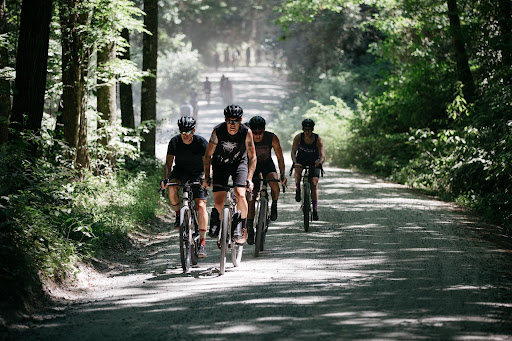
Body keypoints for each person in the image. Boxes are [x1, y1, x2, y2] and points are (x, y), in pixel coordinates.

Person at [202, 104, 256, 246]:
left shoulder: (246, 132)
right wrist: (207, 177)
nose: (232, 124)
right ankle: (218, 225)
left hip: (239, 164)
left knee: (240, 193)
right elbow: (208, 155)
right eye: (229, 121)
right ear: (225, 119)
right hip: (220, 163)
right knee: (219, 200)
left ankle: (242, 228)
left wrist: (249, 179)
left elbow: (253, 157)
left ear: (241, 120)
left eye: (236, 121)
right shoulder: (218, 131)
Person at [161, 116, 209, 258]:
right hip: (180, 171)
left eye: (188, 132)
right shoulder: (174, 141)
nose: (185, 135)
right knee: (172, 187)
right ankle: (178, 215)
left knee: (200, 206)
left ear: (193, 131)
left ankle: (202, 243)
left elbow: (208, 164)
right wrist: (166, 179)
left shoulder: (201, 143)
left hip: (198, 172)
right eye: (182, 132)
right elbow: (168, 164)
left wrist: (206, 179)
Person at [246, 115, 287, 245]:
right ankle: (249, 227)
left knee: (274, 184)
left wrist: (282, 174)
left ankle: (274, 204)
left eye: (260, 132)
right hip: (252, 166)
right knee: (251, 198)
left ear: (264, 130)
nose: (257, 135)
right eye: (255, 132)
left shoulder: (271, 137)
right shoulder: (246, 138)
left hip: (267, 164)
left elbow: (280, 156)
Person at [291, 118, 325, 221]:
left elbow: (323, 155)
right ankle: (298, 188)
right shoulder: (298, 137)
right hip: (301, 159)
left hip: (314, 161)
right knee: (297, 170)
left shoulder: (317, 139)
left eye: (309, 130)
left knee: (314, 184)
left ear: (312, 129)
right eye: (305, 130)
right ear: (303, 129)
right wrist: (295, 162)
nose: (307, 132)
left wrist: (319, 163)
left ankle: (315, 210)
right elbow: (293, 151)